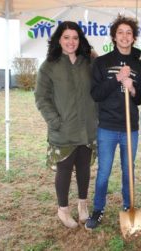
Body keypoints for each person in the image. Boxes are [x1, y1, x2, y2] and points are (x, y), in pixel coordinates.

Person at [85, 15, 141, 229]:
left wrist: (131, 88)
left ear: (133, 38)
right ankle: (98, 209)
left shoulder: (139, 65)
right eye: (120, 32)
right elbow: (96, 94)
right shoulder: (102, 62)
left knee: (129, 171)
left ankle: (129, 208)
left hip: (130, 128)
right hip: (108, 128)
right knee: (104, 172)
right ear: (114, 36)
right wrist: (116, 79)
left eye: (129, 33)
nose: (124, 36)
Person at [35, 21, 97, 228]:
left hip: (87, 128)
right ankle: (63, 209)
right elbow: (41, 97)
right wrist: (55, 121)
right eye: (66, 37)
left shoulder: (88, 62)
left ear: (80, 40)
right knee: (64, 171)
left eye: (75, 37)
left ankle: (82, 205)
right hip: (63, 130)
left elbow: (98, 89)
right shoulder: (49, 66)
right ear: (58, 40)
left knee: (83, 169)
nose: (71, 42)